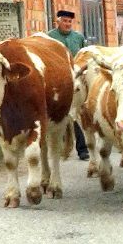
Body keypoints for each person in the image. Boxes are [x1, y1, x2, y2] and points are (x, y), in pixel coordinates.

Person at [46, 9, 89, 161]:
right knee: (61, 112)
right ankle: (62, 144)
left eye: (70, 22)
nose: (67, 24)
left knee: (76, 112)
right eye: (64, 21)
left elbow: (85, 55)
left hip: (76, 77)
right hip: (58, 78)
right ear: (58, 22)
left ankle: (82, 149)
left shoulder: (78, 37)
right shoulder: (50, 37)